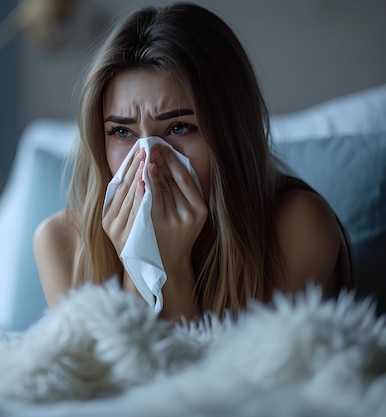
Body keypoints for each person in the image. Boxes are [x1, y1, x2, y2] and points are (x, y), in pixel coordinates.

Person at [33, 2, 353, 322]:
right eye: (121, 131)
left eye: (178, 127)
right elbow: (126, 367)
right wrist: (140, 263)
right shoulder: (61, 244)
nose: (147, 160)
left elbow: (211, 372)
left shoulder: (298, 227)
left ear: (229, 134)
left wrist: (169, 269)